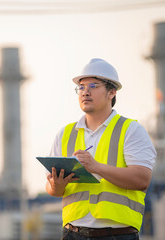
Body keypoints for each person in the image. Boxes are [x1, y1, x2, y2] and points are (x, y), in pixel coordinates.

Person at [45, 58, 156, 240]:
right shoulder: (64, 134)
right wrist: (56, 186)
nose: (85, 92)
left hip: (117, 234)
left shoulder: (131, 130)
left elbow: (142, 179)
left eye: (93, 86)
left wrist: (96, 167)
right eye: (81, 87)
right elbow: (52, 189)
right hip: (72, 233)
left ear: (111, 92)